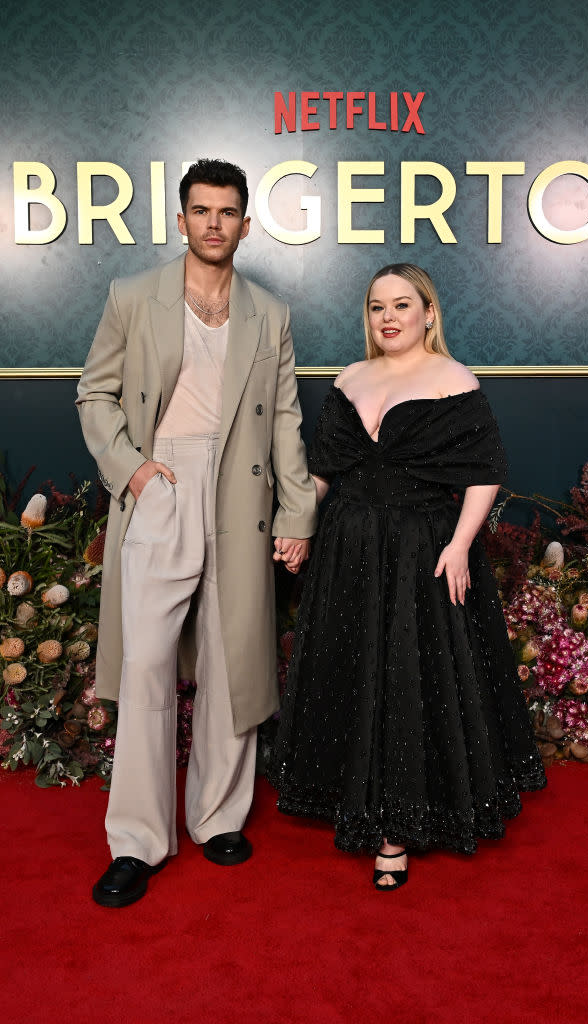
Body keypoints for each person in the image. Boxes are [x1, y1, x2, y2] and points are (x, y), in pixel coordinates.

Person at [77, 158, 316, 907]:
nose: (214, 223)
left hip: (239, 492)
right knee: (147, 664)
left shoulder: (269, 313)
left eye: (228, 211)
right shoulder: (132, 297)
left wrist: (297, 511)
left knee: (230, 656)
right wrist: (132, 469)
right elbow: (94, 393)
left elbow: (284, 418)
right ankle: (138, 842)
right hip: (162, 485)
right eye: (201, 210)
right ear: (180, 220)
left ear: (246, 224)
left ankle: (218, 816)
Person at [271, 263, 546, 890]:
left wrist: (460, 544)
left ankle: (395, 833)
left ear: (428, 312)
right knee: (354, 669)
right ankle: (356, 795)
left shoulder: (453, 379)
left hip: (422, 551)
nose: (388, 317)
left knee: (405, 678)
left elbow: (485, 470)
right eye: (376, 307)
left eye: (401, 305)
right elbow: (323, 472)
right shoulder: (350, 378)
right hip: (348, 548)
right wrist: (296, 527)